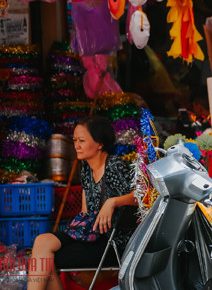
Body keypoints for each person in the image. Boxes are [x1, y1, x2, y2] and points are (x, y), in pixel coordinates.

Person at [28, 115, 137, 290]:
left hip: (112, 241)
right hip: (91, 233)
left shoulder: (115, 165)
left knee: (46, 261)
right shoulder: (86, 167)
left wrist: (113, 202)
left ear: (99, 143)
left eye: (82, 140)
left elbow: (140, 196)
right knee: (42, 242)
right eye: (75, 140)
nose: (76, 145)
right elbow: (85, 212)